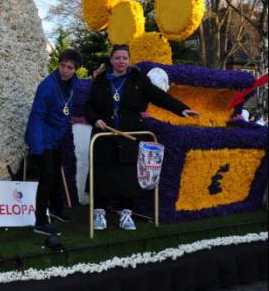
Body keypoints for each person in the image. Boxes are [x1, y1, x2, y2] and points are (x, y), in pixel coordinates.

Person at [85, 44, 199, 231]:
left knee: (128, 176)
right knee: (102, 175)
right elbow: (89, 106)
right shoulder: (100, 81)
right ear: (111, 60)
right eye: (117, 58)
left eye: (124, 58)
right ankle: (99, 213)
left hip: (131, 134)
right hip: (104, 134)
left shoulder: (139, 79)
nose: (121, 62)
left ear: (129, 60)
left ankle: (126, 214)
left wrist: (181, 109)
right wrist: (95, 119)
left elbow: (159, 97)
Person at [25, 49, 82, 236]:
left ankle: (56, 209)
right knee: (47, 177)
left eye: (70, 67)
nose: (65, 70)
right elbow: (36, 117)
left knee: (57, 173)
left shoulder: (74, 84)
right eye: (63, 66)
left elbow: (68, 107)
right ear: (59, 64)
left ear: (75, 70)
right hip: (41, 138)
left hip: (57, 138)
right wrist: (37, 146)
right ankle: (40, 222)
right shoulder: (47, 86)